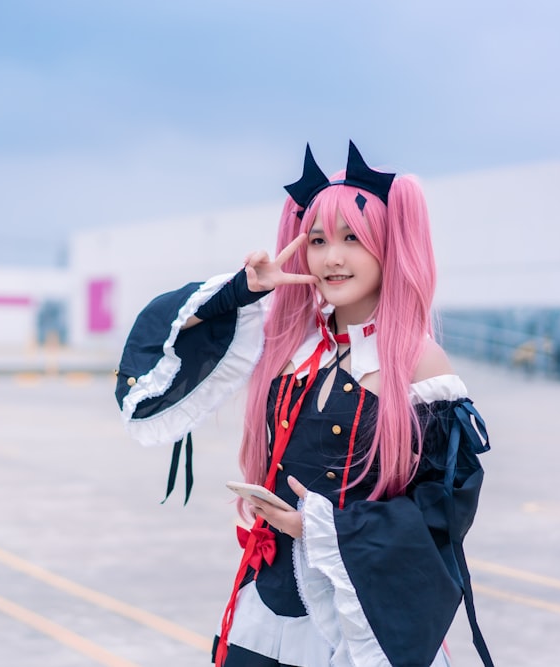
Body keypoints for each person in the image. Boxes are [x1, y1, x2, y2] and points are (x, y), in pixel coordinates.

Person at [115, 140, 493, 667]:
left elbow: (443, 514)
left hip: (359, 616)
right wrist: (242, 291)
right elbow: (161, 342)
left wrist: (317, 527)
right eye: (317, 239)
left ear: (391, 246)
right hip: (265, 606)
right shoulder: (290, 344)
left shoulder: (420, 362)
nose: (332, 257)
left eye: (353, 238)